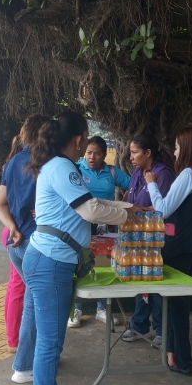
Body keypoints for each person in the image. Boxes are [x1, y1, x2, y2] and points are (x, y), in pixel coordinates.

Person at [13, 111, 139, 385]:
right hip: (51, 264)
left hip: (48, 260)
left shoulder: (58, 165)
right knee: (49, 343)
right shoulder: (63, 167)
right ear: (80, 139)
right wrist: (126, 215)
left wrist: (124, 208)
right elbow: (90, 211)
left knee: (50, 341)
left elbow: (90, 202)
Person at [146, 126, 192, 376]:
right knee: (176, 303)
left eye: (177, 148)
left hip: (179, 248)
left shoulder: (189, 174)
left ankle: (182, 360)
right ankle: (173, 355)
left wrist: (152, 184)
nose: (175, 153)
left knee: (176, 306)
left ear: (188, 149)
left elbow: (163, 209)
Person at [0, 114, 49, 353]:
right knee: (32, 294)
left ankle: (14, 339)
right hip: (31, 236)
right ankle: (21, 345)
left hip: (12, 233)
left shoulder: (14, 160)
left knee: (16, 286)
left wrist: (12, 227)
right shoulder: (45, 163)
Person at [70, 136, 131, 328]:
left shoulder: (112, 172)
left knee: (105, 264)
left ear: (104, 155)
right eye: (89, 152)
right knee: (80, 263)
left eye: (97, 153)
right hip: (82, 224)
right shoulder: (76, 169)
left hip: (106, 225)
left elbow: (132, 185)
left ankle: (102, 308)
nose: (92, 157)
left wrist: (125, 203)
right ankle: (76, 309)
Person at [122, 134, 176, 347]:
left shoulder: (163, 174)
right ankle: (139, 325)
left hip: (158, 238)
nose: (131, 157)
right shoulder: (137, 172)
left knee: (157, 284)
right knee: (141, 281)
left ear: (148, 153)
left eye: (135, 152)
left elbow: (162, 208)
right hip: (138, 237)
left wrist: (138, 209)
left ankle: (161, 330)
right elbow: (132, 201)